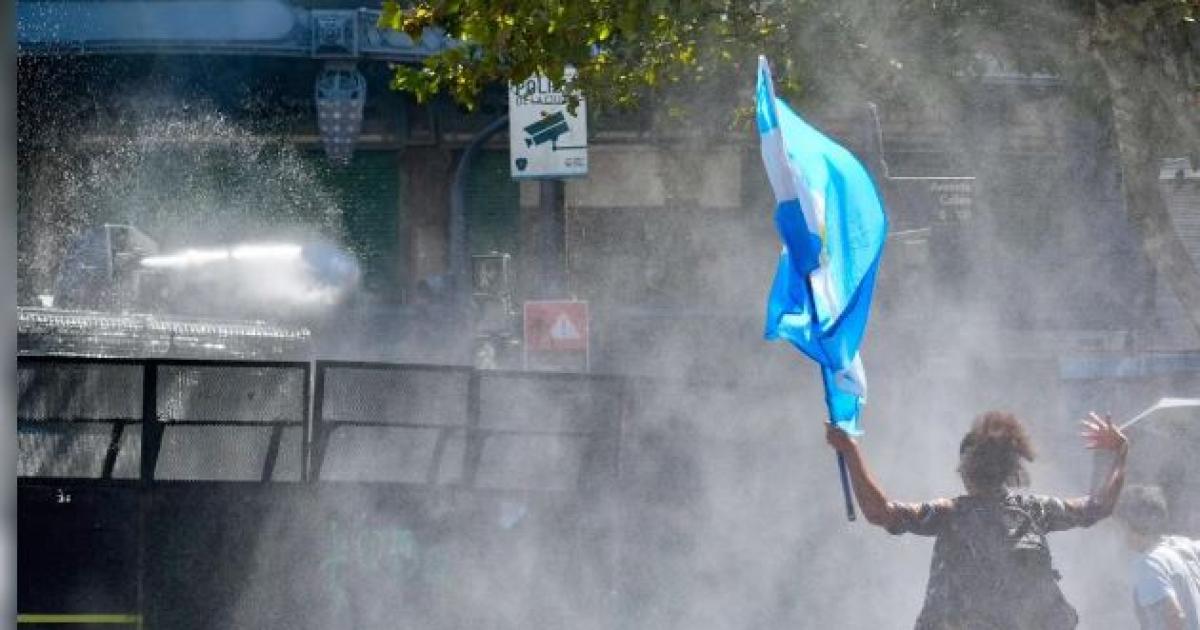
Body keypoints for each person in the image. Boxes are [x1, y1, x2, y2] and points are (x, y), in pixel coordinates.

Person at [826, 410, 1128, 629]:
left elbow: (881, 513)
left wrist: (852, 452)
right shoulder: (1036, 510)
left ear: (965, 469)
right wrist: (1120, 453)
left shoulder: (951, 514)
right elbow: (1099, 506)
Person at [1115, 484, 1200, 630]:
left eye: (1120, 525)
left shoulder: (1149, 564)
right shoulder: (1183, 546)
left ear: (1129, 524)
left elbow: (1175, 615)